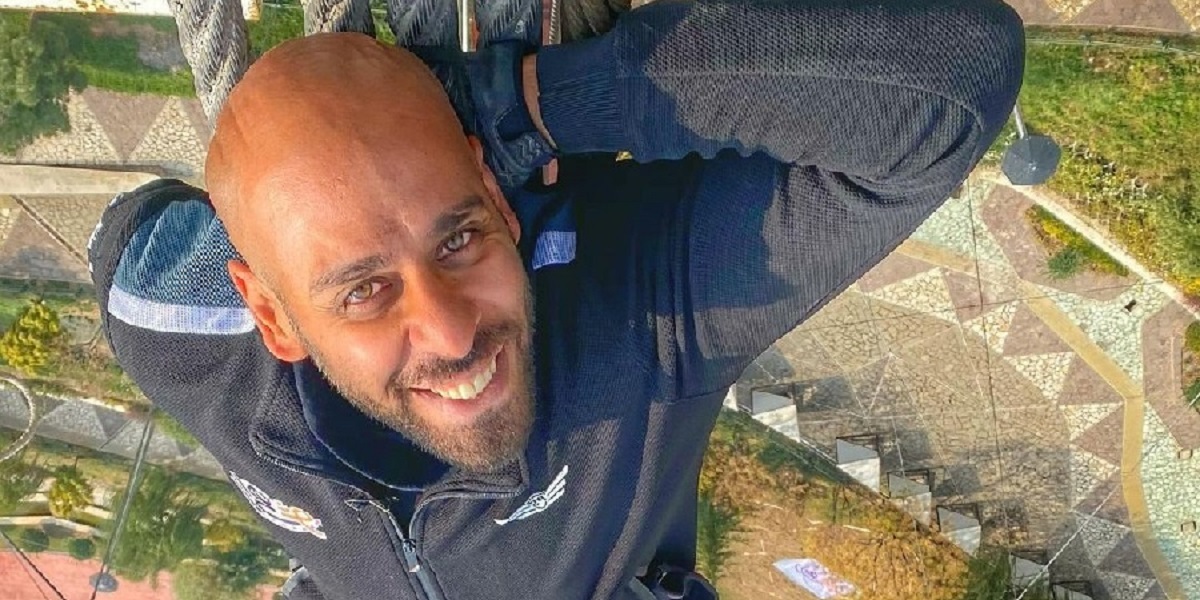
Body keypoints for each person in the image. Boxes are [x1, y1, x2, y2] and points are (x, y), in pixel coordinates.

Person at [87, 0, 1024, 597]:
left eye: (460, 238)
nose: (450, 329)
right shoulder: (188, 338)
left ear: (498, 203)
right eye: (364, 290)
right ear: (273, 316)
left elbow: (949, 88)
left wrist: (528, 108)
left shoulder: (644, 308)